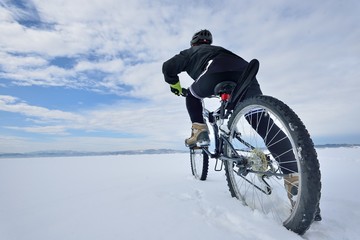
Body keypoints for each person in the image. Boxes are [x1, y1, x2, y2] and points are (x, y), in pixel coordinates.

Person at [162, 29, 321, 221]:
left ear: (194, 44)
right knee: (261, 122)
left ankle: (199, 130)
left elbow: (168, 67)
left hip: (214, 70)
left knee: (192, 95)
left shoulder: (191, 53)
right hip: (245, 73)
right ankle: (296, 181)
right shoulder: (222, 50)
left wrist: (175, 85)